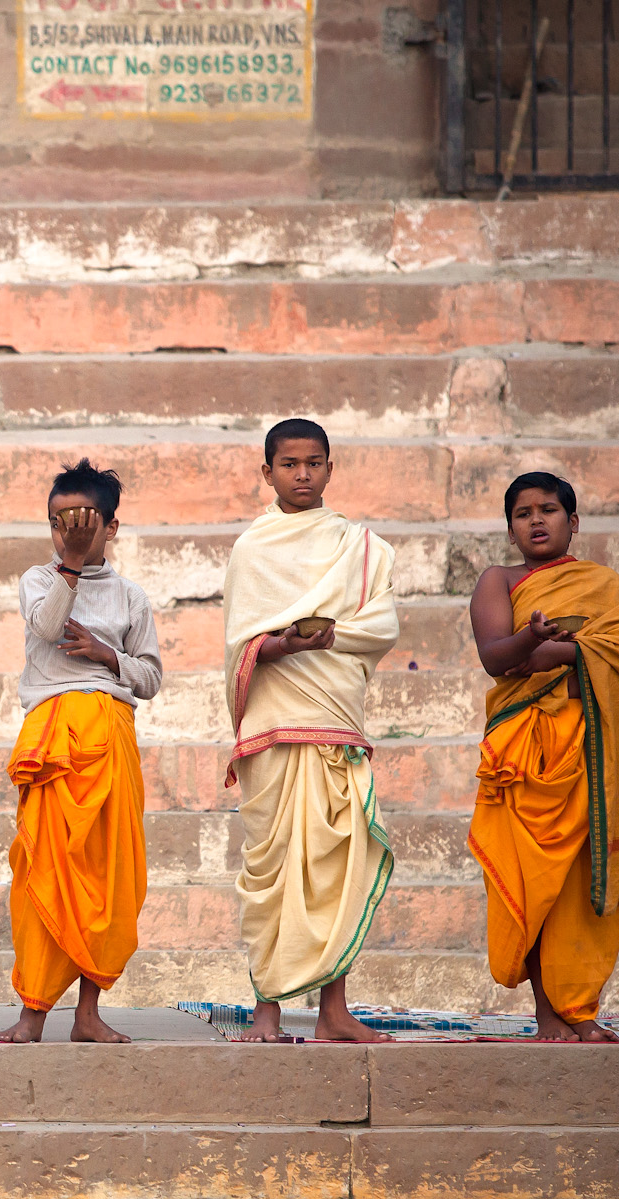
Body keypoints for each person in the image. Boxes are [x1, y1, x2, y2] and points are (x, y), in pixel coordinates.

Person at [466, 472, 619, 1043]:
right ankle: (546, 1014)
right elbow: (497, 659)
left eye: (550, 510)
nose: (536, 520)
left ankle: (578, 1010)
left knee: (579, 884)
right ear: (510, 530)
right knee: (536, 881)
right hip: (526, 750)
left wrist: (546, 650)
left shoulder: (605, 586)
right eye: (523, 513)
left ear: (573, 522)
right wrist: (536, 643)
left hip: (596, 749)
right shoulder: (499, 581)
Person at [222, 418, 399, 1044]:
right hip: (274, 727)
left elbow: (381, 624)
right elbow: (241, 645)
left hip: (335, 718)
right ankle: (266, 1012)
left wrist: (330, 634)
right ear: (267, 471)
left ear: (331, 468)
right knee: (272, 874)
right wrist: (275, 645)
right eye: (290, 464)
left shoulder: (358, 544)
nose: (303, 474)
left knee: (337, 870)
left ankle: (333, 1013)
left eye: (314, 463)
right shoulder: (253, 549)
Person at [0, 461, 162, 1044]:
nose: (69, 530)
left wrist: (105, 654)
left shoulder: (131, 598)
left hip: (110, 737)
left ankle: (88, 1013)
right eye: (58, 522)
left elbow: (150, 678)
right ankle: (33, 1012)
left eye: (83, 521)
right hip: (54, 740)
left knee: (109, 877)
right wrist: (69, 564)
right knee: (43, 868)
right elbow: (45, 629)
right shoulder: (38, 580)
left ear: (111, 528)